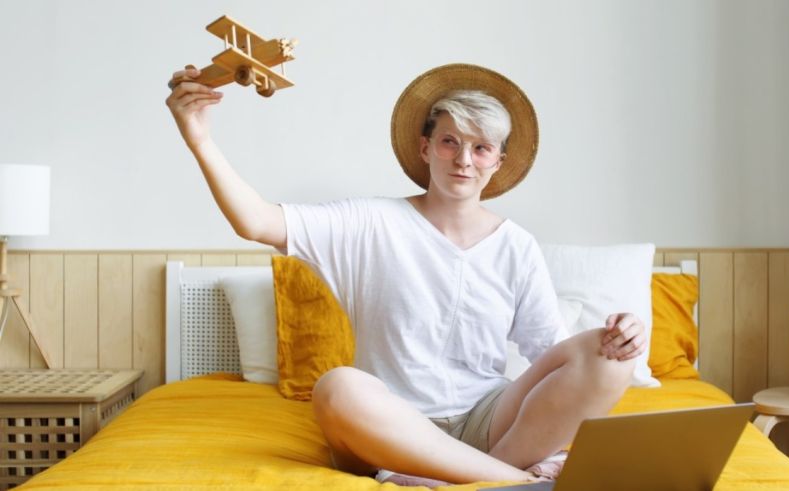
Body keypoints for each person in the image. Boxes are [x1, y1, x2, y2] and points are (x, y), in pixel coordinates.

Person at [165, 63, 647, 486]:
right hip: (389, 425)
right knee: (337, 386)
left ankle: (473, 473)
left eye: (481, 148)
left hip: (488, 419)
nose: (463, 159)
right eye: (450, 142)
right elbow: (258, 221)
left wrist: (622, 336)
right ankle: (513, 481)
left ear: (497, 162)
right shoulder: (369, 222)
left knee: (605, 352)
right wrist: (199, 138)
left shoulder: (516, 245)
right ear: (425, 147)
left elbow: (553, 355)